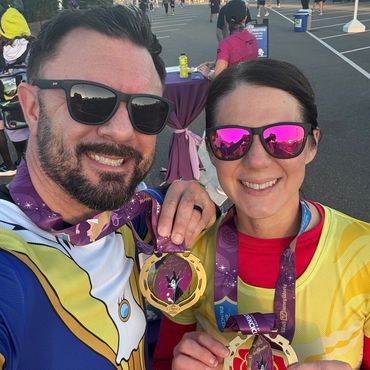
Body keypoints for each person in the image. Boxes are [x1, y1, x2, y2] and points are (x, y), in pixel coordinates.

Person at [0, 6, 218, 369]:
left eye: (145, 110)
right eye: (89, 100)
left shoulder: (146, 215)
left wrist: (200, 201)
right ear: (32, 107)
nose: (121, 131)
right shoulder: (10, 263)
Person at [152, 59, 370, 370]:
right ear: (211, 152)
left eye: (283, 138)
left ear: (312, 145)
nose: (256, 161)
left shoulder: (363, 252)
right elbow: (163, 360)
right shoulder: (187, 254)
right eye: (230, 140)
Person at [0, 7, 32, 176]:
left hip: (11, 117)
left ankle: (20, 166)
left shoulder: (2, 54)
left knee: (24, 154)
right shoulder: (34, 49)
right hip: (34, 113)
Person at [197, 14, 257, 81]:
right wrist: (215, 63)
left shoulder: (226, 43)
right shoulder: (253, 38)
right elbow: (241, 57)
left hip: (233, 85)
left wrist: (207, 74)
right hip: (250, 81)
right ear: (244, 19)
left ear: (226, 20)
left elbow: (217, 76)